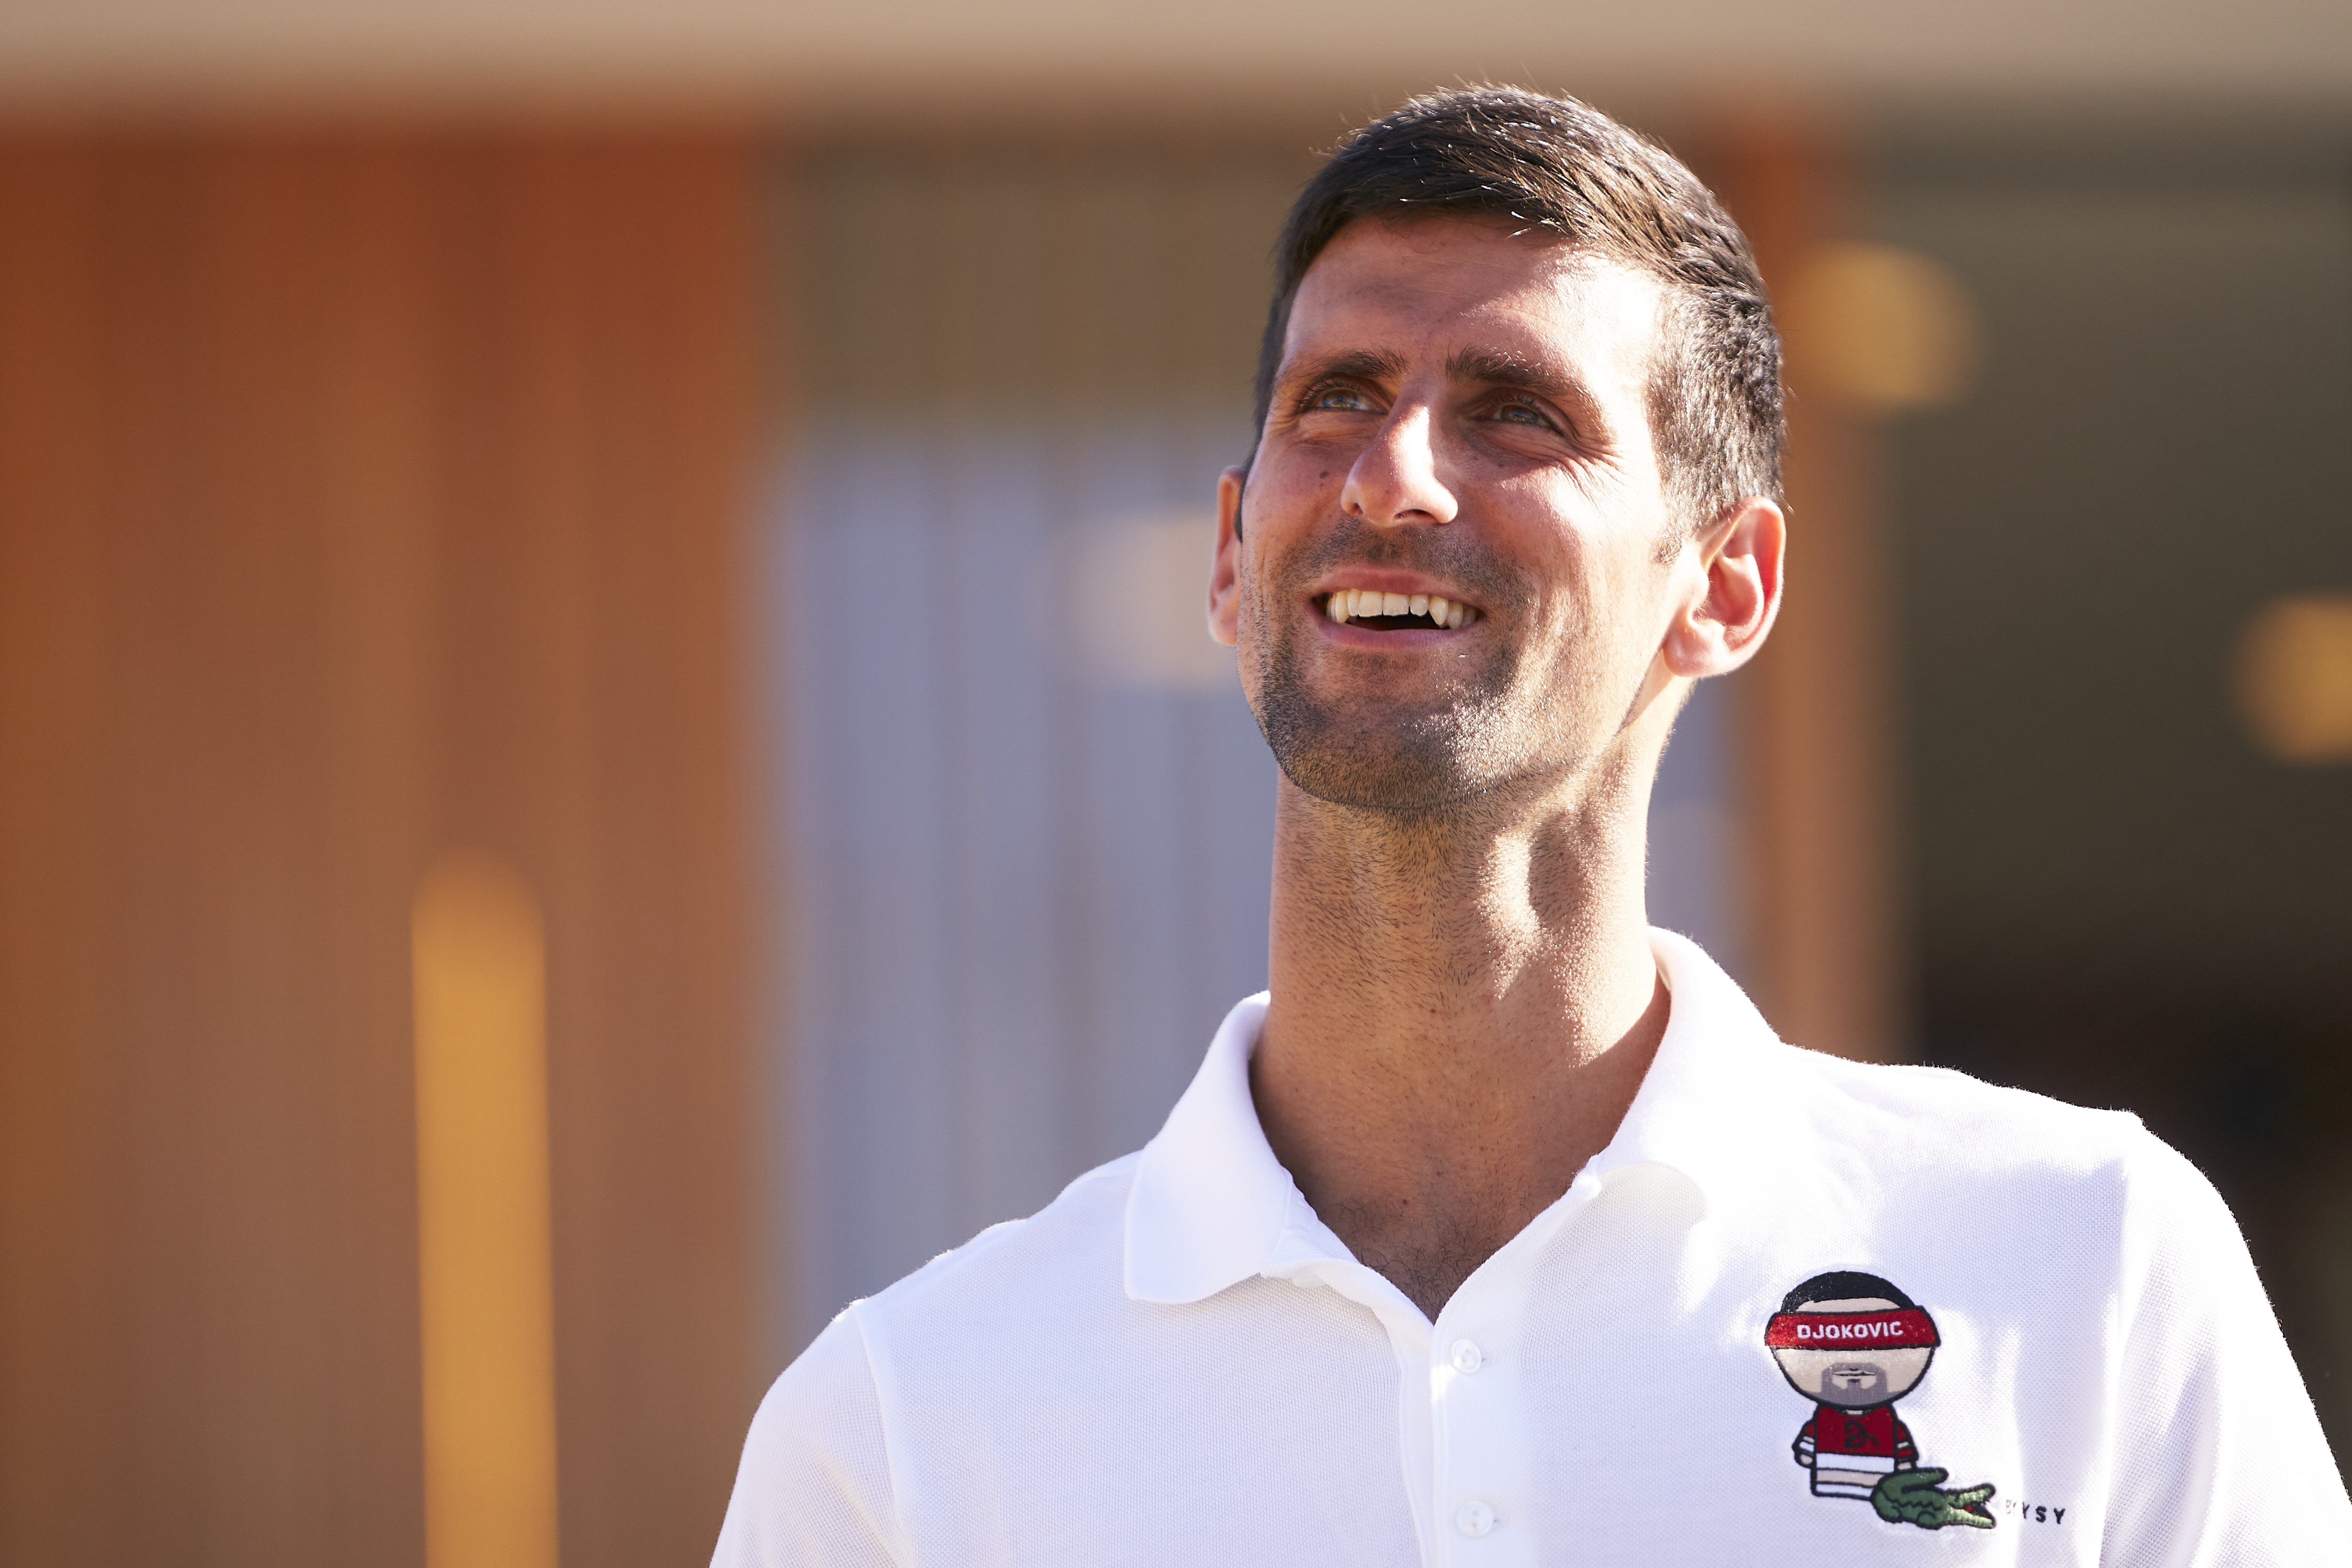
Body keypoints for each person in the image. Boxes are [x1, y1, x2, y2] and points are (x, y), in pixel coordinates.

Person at [713, 87, 2351, 1564]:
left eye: (1515, 413)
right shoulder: (903, 1432)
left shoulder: (2081, 1273)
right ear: (1229, 555)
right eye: (1335, 399)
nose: (1394, 476)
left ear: (1723, 584)